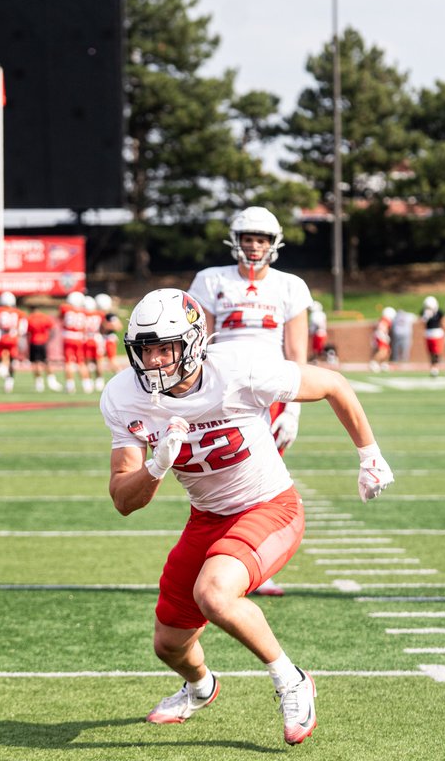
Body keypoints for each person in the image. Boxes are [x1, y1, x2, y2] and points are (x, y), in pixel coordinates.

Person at [100, 288, 393, 746]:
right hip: (207, 517)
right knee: (169, 644)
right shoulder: (124, 396)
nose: (153, 362)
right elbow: (123, 497)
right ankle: (200, 688)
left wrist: (369, 455)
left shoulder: (237, 367)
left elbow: (333, 384)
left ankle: (291, 679)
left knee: (214, 592)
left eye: (165, 349)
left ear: (194, 343)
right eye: (145, 350)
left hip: (269, 505)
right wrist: (156, 466)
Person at [187, 207, 314, 597]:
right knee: (220, 476)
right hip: (222, 388)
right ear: (235, 240)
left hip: (270, 389)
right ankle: (222, 560)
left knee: (262, 480)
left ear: (273, 243)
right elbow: (197, 341)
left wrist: (293, 407)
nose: (254, 246)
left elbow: (296, 351)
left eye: (261, 239)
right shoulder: (210, 280)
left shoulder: (289, 285)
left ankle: (252, 562)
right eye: (248, 238)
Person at [0, 291, 25, 393]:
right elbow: (22, 328)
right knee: (12, 360)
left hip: (2, 336)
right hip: (13, 337)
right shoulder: (18, 312)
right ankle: (9, 382)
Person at [59, 290, 90, 393]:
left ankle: (70, 385)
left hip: (68, 337)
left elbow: (61, 318)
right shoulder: (84, 311)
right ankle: (86, 385)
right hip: (79, 338)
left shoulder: (65, 309)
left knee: (68, 362)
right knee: (81, 362)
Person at [25, 303, 61, 392]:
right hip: (43, 342)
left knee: (36, 363)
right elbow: (52, 329)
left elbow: (28, 332)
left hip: (34, 342)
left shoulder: (30, 318)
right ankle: (51, 381)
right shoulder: (44, 317)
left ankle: (39, 383)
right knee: (46, 362)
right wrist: (48, 338)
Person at [420, 296, 445, 377]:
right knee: (430, 352)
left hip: (437, 334)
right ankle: (432, 367)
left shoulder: (439, 312)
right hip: (428, 334)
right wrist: (425, 317)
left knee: (436, 352)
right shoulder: (424, 312)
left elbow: (444, 322)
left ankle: (435, 367)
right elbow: (422, 324)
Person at [369, 307, 395, 373]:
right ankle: (374, 363)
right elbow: (382, 328)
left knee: (387, 351)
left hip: (381, 335)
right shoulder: (385, 320)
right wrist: (384, 336)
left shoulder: (384, 319)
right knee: (383, 351)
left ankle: (384, 364)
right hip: (381, 336)